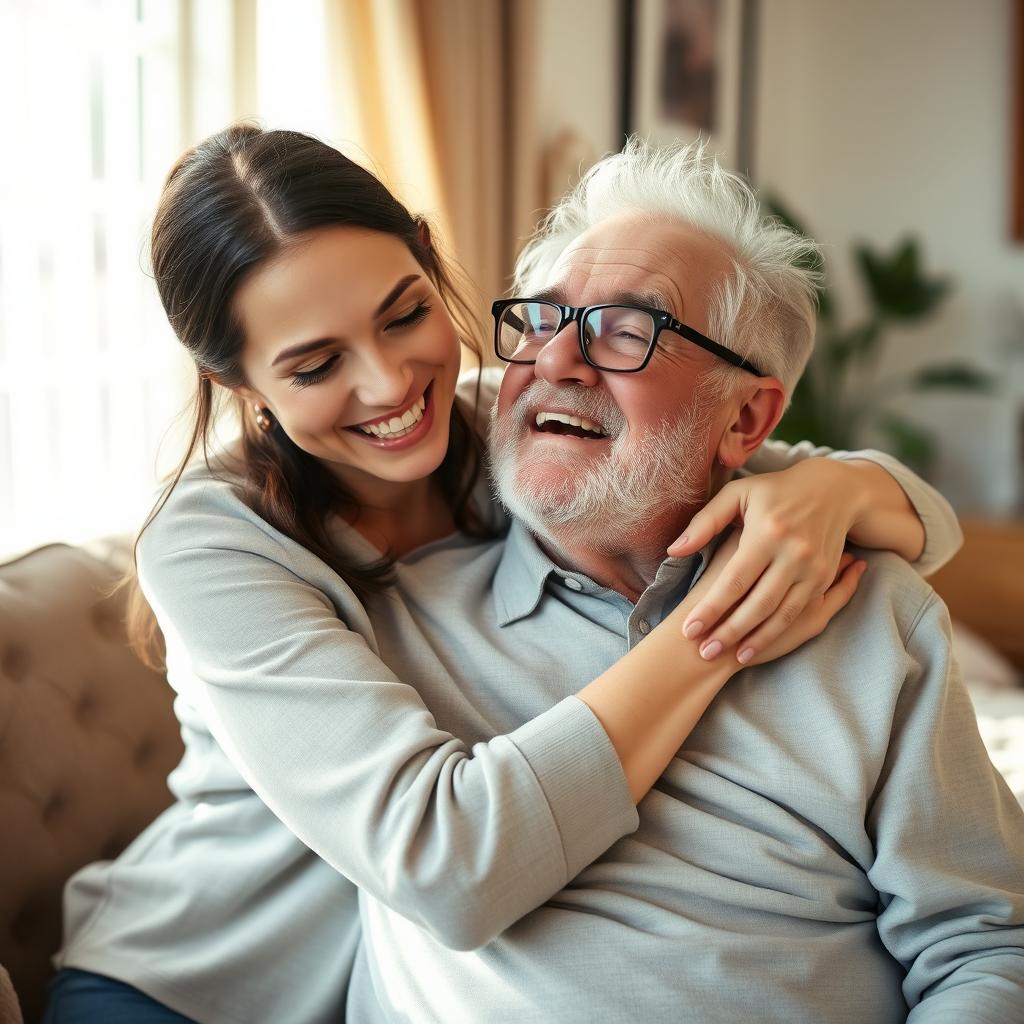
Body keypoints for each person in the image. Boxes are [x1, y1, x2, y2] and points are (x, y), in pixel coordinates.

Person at [46, 126, 962, 1024]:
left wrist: (838, 487)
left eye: (405, 314)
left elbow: (764, 461)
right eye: (317, 364)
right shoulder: (214, 534)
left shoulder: (506, 419)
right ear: (243, 386)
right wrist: (717, 630)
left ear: (428, 257)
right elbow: (448, 859)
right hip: (187, 983)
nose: (390, 386)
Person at [338, 140, 1024, 1022]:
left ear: (745, 417)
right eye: (541, 322)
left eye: (626, 330)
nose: (555, 362)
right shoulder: (381, 619)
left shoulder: (872, 615)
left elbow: (984, 943)